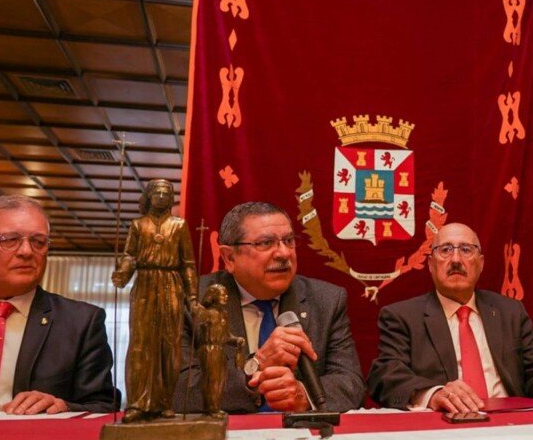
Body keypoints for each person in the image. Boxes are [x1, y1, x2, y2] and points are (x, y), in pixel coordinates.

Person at [368, 223, 533, 412]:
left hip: (511, 424)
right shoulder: (402, 316)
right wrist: (433, 394)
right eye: (445, 250)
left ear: (481, 264)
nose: (456, 260)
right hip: (444, 427)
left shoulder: (511, 312)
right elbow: (385, 377)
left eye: (466, 250)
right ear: (431, 265)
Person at [176, 202, 365, 413]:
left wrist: (303, 395)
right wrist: (257, 364)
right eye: (266, 243)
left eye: (289, 241)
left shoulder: (326, 300)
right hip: (225, 439)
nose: (283, 253)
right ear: (229, 258)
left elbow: (351, 383)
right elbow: (178, 389)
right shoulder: (192, 300)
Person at [0, 195, 116, 414]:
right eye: (9, 240)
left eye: (38, 242)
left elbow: (104, 406)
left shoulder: (81, 322)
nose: (26, 251)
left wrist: (63, 406)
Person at [112, 179, 197, 423]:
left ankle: (164, 403)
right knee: (141, 345)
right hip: (145, 285)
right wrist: (123, 273)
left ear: (172, 198)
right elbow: (130, 255)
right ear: (149, 196)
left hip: (171, 284)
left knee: (169, 346)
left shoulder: (179, 226)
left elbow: (188, 265)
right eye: (157, 192)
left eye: (166, 192)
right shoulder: (138, 225)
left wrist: (192, 297)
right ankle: (138, 403)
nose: (161, 196)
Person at [191, 284, 247, 418]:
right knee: (211, 380)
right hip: (209, 349)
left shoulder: (224, 314)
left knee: (220, 381)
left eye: (226, 294)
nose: (225, 297)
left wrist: (236, 340)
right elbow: (196, 312)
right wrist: (193, 302)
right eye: (222, 294)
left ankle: (214, 407)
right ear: (214, 296)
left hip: (220, 350)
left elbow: (226, 335)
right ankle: (210, 409)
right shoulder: (207, 313)